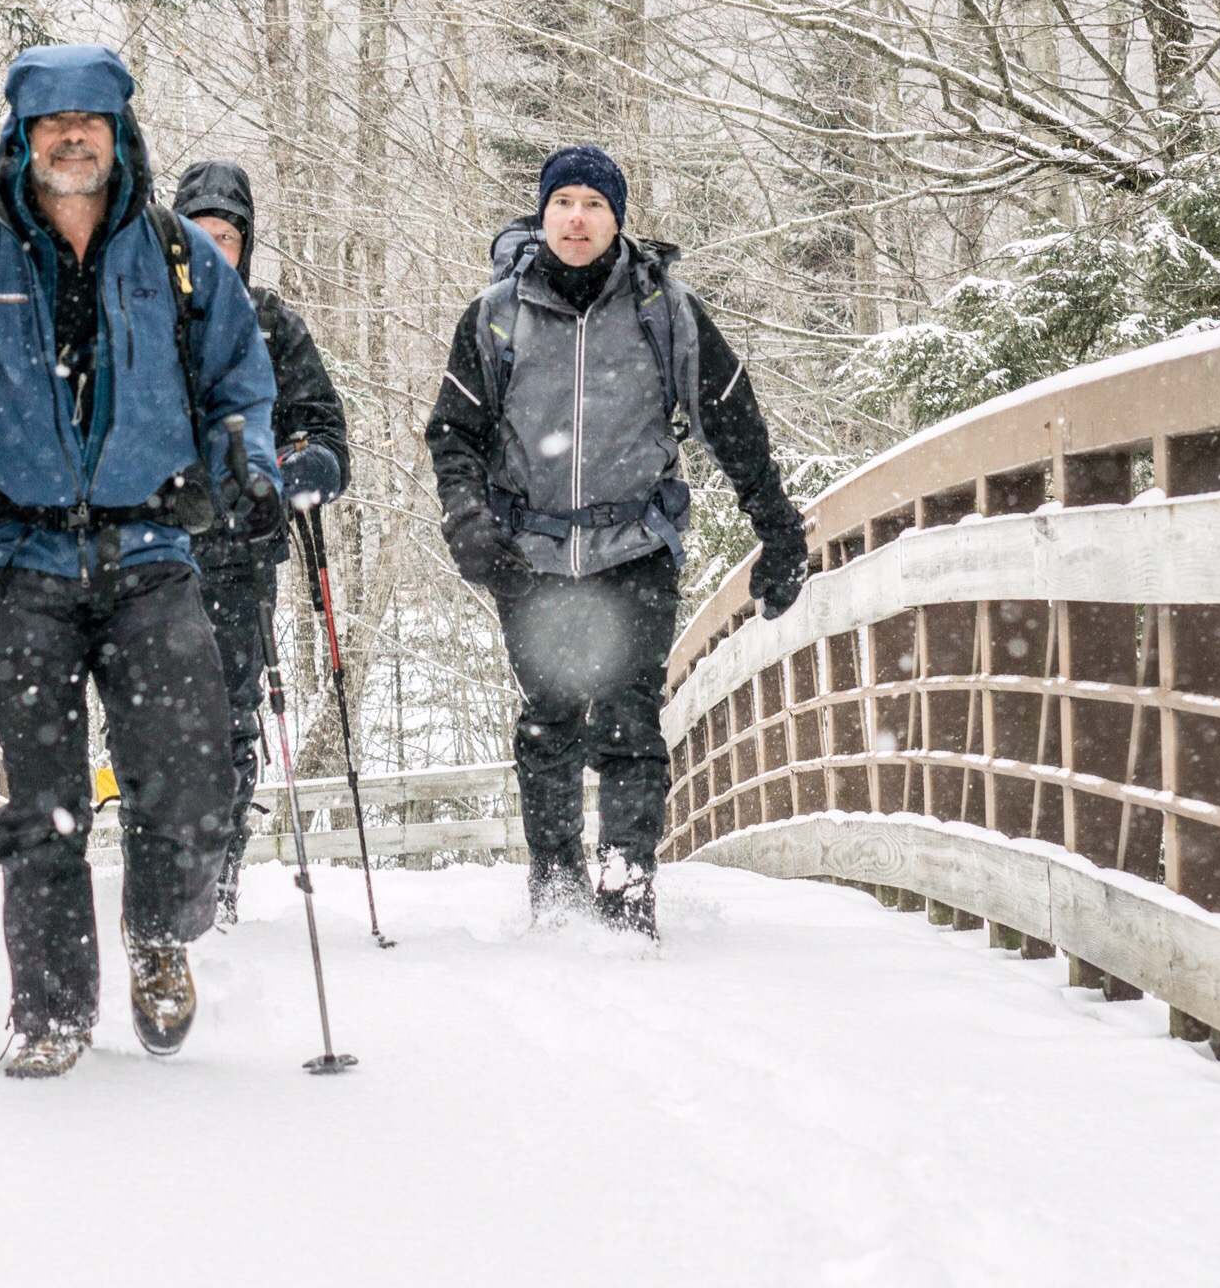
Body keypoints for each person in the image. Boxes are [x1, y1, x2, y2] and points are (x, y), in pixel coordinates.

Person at [0, 44, 283, 1078]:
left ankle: (159, 938)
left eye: (87, 123)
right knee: (42, 797)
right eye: (49, 123)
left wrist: (248, 455)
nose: (69, 138)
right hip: (21, 557)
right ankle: (51, 1009)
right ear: (22, 135)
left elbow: (245, 385)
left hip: (151, 552)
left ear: (118, 133)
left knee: (190, 778)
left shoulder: (181, 260)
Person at [425, 144, 807, 938]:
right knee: (552, 718)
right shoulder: (496, 314)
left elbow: (734, 425)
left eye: (594, 205)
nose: (577, 218)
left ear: (618, 219)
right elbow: (453, 433)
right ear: (542, 215)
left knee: (630, 722)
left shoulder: (665, 310)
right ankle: (558, 885)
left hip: (635, 544)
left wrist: (778, 529)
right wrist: (467, 518)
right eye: (563, 202)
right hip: (529, 553)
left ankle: (627, 886)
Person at [171, 159, 351, 924]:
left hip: (243, 553)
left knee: (233, 713)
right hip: (155, 549)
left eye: (228, 237)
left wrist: (306, 464)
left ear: (247, 244)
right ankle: (169, 865)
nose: (215, 249)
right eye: (199, 235)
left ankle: (217, 875)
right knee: (159, 716)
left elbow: (325, 429)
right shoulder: (142, 316)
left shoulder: (273, 325)